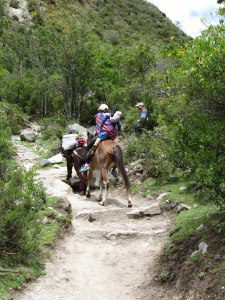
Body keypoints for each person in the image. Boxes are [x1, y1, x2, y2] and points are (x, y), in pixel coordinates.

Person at [80, 105, 122, 172]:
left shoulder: (98, 115)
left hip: (102, 135)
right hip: (112, 136)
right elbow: (119, 126)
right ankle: (115, 168)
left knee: (88, 147)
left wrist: (99, 130)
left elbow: (98, 126)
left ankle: (86, 164)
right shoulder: (113, 115)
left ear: (100, 110)